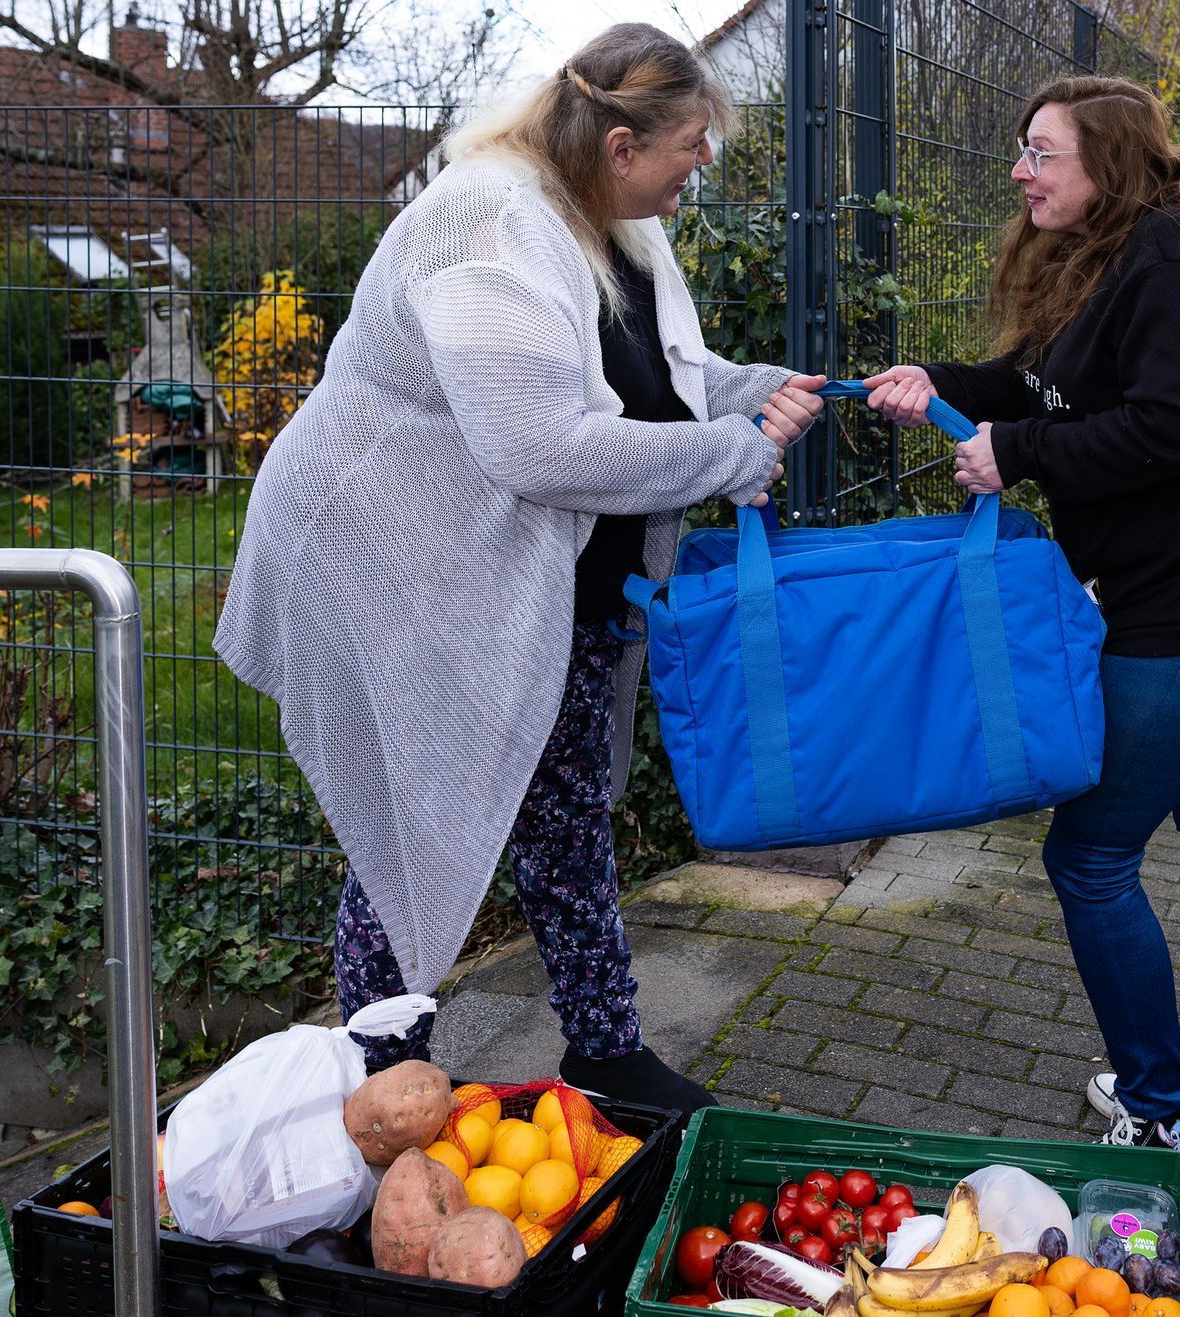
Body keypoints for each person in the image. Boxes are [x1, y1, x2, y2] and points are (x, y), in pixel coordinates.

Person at [215, 23, 825, 1113]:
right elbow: (537, 446)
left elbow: (652, 379)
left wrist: (758, 391)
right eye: (694, 144)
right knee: (416, 817)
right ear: (622, 142)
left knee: (560, 811)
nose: (704, 166)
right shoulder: (487, 226)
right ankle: (383, 1084)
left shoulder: (609, 222)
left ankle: (603, 1050)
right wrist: (731, 456)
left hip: (538, 572)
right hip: (392, 559)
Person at [863, 76, 1180, 1181]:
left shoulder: (1167, 257)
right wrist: (941, 387)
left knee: (1090, 854)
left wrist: (1016, 457)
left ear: (1104, 161)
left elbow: (1174, 423)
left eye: (1041, 153)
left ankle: (1163, 1120)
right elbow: (1044, 385)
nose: (1021, 172)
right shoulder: (1120, 252)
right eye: (1023, 152)